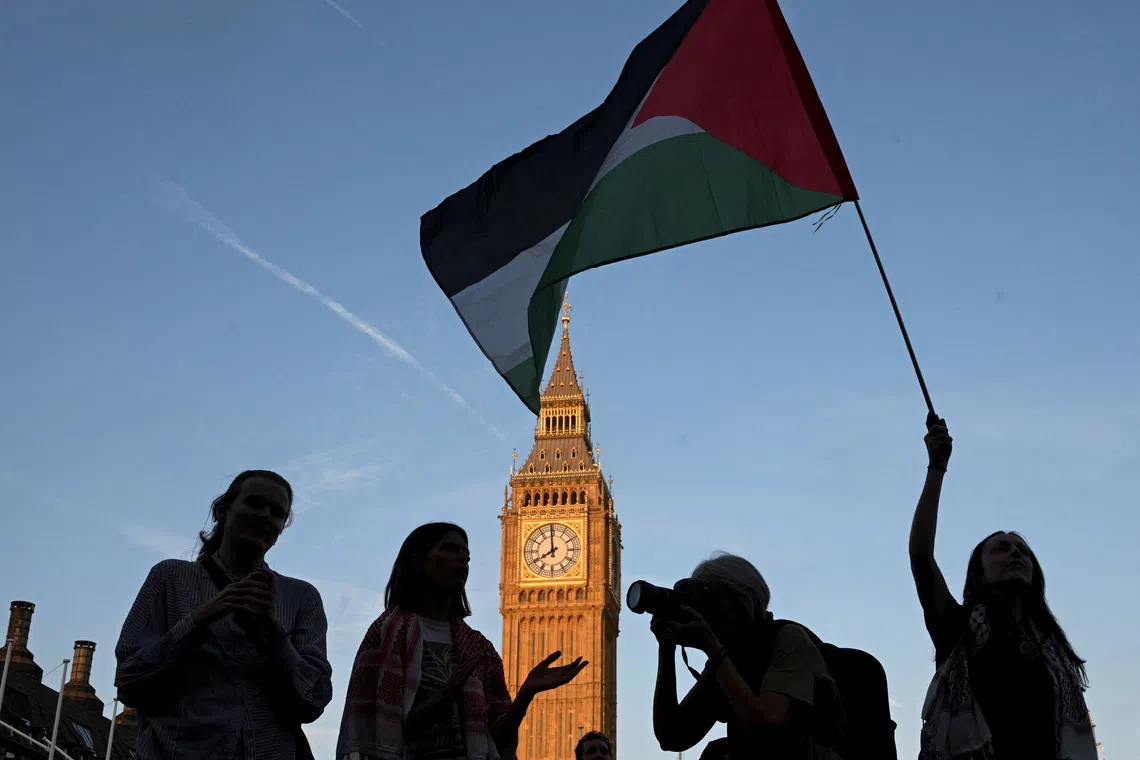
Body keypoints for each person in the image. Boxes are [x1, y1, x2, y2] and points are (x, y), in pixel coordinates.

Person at [910, 414, 1097, 760]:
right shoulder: (958, 629)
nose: (1015, 553)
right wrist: (936, 468)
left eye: (1022, 550)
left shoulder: (1052, 650)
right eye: (1001, 548)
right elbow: (921, 556)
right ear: (977, 575)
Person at [115, 469, 333, 760]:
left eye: (278, 512)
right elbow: (129, 680)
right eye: (255, 503)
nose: (266, 515)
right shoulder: (169, 578)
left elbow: (314, 699)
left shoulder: (302, 598)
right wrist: (199, 619)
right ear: (222, 510)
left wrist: (274, 633)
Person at [336, 522, 588, 760]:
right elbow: (379, 732)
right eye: (449, 549)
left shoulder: (480, 648)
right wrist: (446, 695)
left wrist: (526, 694)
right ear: (417, 562)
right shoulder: (387, 634)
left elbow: (493, 741)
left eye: (466, 554)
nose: (464, 559)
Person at [651, 553, 843, 760]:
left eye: (710, 601)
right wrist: (666, 648)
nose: (704, 613)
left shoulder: (787, 639)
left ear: (742, 602)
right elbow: (672, 736)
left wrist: (713, 650)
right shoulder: (728, 658)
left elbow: (767, 726)